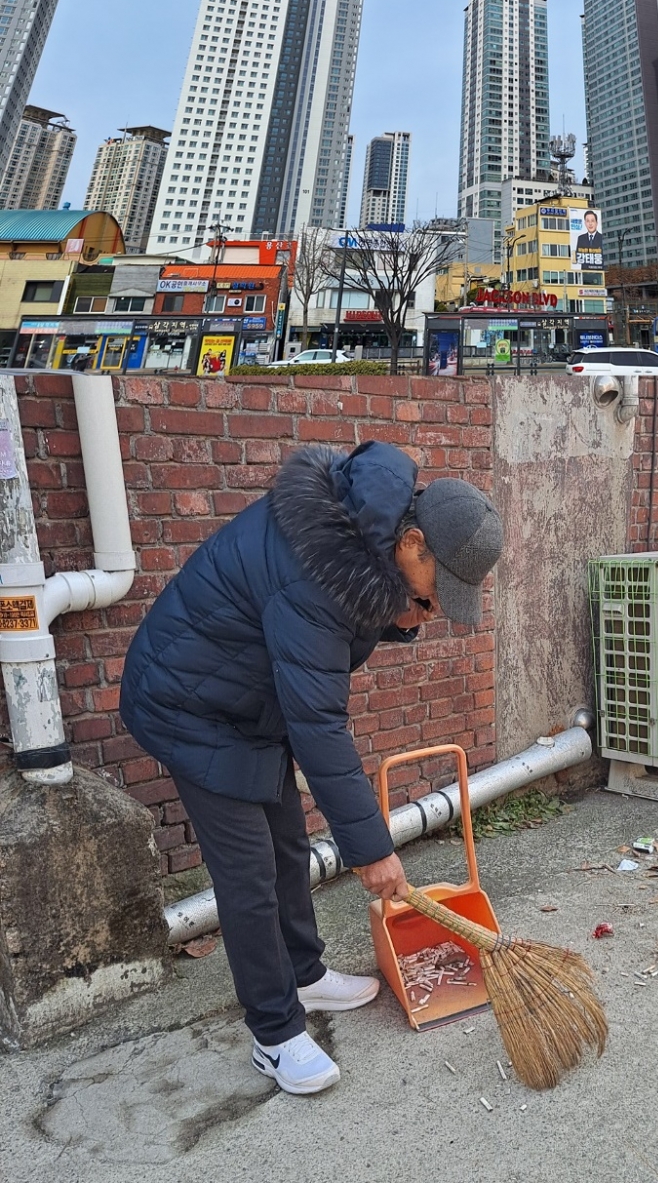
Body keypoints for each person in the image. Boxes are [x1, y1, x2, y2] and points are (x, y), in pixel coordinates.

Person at [120, 441, 503, 1096]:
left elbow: (330, 642)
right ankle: (274, 1035)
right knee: (250, 877)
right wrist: (372, 849)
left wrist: (401, 615)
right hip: (189, 707)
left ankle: (305, 974)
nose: (437, 607)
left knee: (288, 845)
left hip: (247, 699)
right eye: (439, 590)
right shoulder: (320, 574)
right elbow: (319, 722)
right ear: (412, 542)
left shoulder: (356, 540)